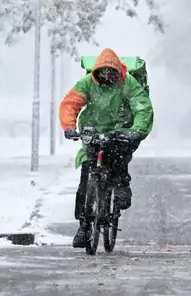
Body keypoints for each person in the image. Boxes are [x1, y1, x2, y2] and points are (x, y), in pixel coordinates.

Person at [59, 48, 154, 248]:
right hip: (92, 132)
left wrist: (136, 130)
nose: (107, 76)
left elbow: (142, 106)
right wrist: (69, 127)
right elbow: (71, 103)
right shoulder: (86, 84)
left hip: (119, 131)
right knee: (85, 180)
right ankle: (84, 226)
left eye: (111, 72)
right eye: (103, 72)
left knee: (118, 158)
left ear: (118, 71)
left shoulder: (128, 84)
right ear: (96, 72)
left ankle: (121, 186)